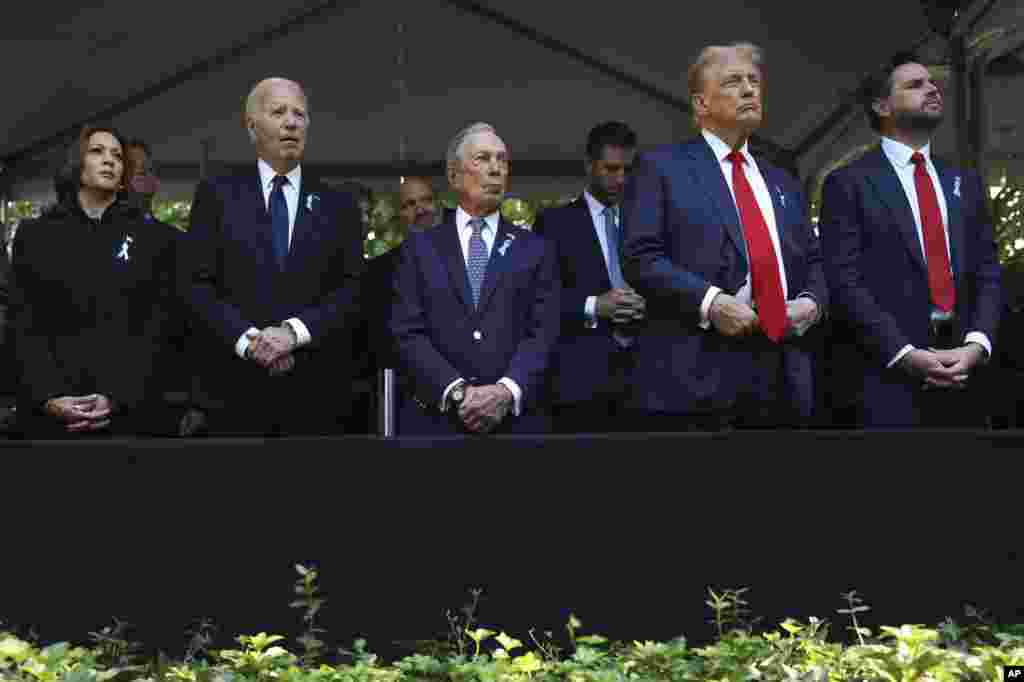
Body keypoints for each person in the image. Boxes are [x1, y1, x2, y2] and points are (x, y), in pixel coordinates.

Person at [621, 42, 827, 430]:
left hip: (783, 376)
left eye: (754, 81)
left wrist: (811, 304)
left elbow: (813, 260)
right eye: (734, 82)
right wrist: (711, 302)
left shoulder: (781, 179)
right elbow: (640, 257)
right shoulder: (661, 168)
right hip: (696, 379)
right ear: (701, 104)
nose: (750, 90)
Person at [818, 55, 1001, 427]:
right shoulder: (848, 183)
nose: (932, 89)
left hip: (967, 378)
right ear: (881, 105)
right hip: (886, 383)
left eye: (932, 83)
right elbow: (844, 281)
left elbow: (987, 271)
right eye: (915, 85)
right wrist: (903, 353)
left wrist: (978, 343)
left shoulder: (964, 182)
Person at [183, 77, 365, 435]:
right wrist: (250, 341)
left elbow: (354, 291)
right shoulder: (217, 195)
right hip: (233, 395)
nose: (292, 122)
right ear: (252, 127)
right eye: (279, 112)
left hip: (318, 399)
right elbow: (196, 285)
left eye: (300, 114)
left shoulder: (338, 202)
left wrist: (293, 333)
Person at [9, 125, 179, 437]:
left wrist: (116, 396)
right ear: (76, 164)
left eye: (117, 155)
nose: (110, 160)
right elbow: (23, 323)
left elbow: (156, 324)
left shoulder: (154, 239)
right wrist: (48, 396)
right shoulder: (34, 236)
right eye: (97, 151)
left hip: (129, 415)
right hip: (51, 417)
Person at [389, 122, 559, 435]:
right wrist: (458, 392)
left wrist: (505, 392)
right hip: (437, 424)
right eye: (482, 158)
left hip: (516, 426)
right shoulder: (419, 249)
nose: (496, 168)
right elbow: (406, 332)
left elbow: (544, 331)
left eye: (502, 160)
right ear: (453, 175)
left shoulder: (536, 249)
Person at [533, 121, 645, 432]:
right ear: (588, 165)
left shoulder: (650, 223)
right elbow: (538, 302)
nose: (620, 178)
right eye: (610, 169)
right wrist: (595, 305)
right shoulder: (554, 224)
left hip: (649, 383)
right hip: (580, 387)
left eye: (627, 169)